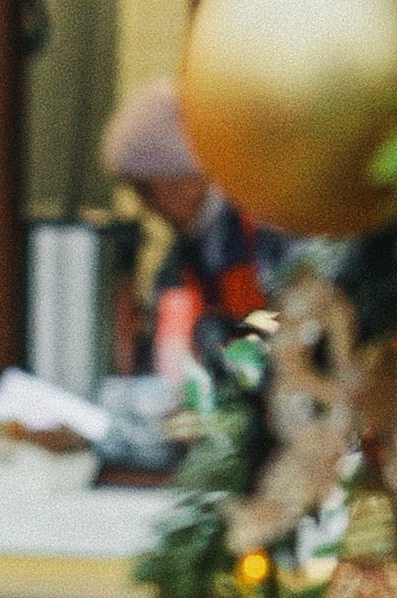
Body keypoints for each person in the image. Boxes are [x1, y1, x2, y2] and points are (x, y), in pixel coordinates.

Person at [101, 77, 279, 377]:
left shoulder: (266, 227)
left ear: (184, 181)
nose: (148, 208)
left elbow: (294, 319)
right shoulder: (184, 254)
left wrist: (233, 341)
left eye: (147, 191)